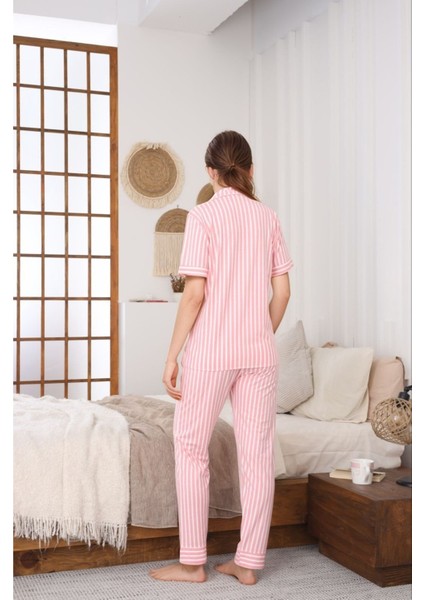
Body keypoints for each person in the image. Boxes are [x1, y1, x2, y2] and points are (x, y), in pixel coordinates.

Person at [150, 130, 292, 585]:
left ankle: (193, 563)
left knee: (192, 448)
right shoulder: (267, 217)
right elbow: (282, 292)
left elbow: (194, 294)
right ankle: (248, 563)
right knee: (257, 456)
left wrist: (172, 356)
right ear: (250, 170)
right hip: (259, 355)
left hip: (210, 353)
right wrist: (259, 334)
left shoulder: (203, 215)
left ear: (211, 172)